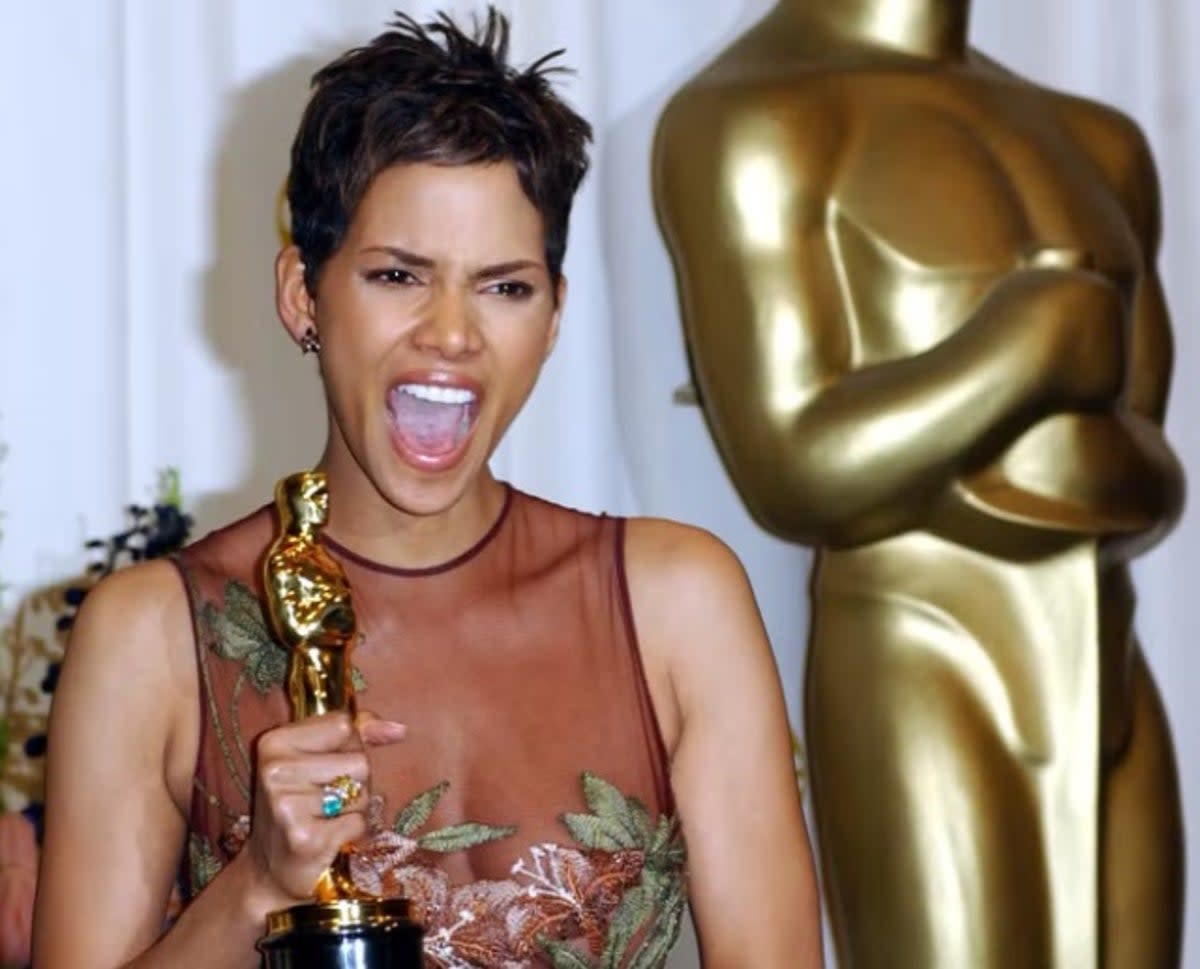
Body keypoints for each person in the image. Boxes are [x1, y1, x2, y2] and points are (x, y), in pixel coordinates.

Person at [32, 9, 822, 968]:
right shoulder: (150, 635)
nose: (452, 333)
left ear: (555, 314)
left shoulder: (676, 601)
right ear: (302, 294)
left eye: (503, 286)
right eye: (400, 274)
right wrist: (256, 889)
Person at [653, 1, 1184, 967]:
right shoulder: (753, 119)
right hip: (919, 656)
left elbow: (1151, 476)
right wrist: (1020, 350)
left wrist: (970, 446)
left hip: (1109, 661)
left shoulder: (1100, 142)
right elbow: (794, 471)